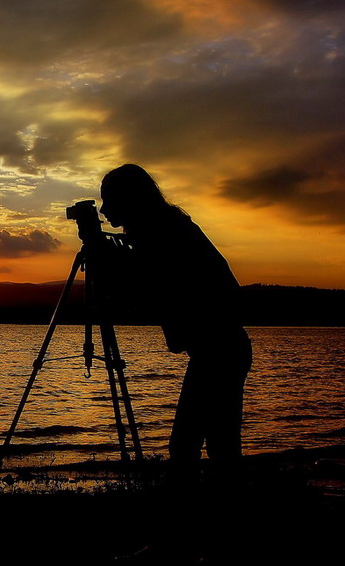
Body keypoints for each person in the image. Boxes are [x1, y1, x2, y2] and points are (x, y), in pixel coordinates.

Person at [99, 164, 252, 475]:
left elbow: (145, 290)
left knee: (190, 445)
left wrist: (111, 262)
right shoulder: (166, 228)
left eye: (108, 200)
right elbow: (151, 284)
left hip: (218, 349)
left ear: (129, 200)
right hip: (221, 348)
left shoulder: (164, 233)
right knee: (217, 444)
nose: (103, 210)